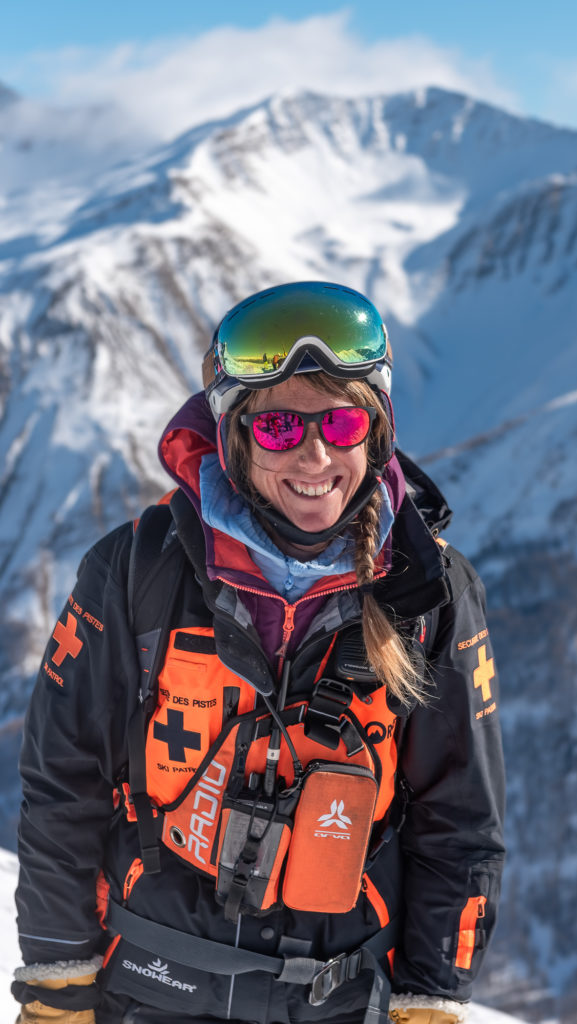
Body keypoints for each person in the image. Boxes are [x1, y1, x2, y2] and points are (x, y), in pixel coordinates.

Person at [13, 282, 505, 1024]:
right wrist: (57, 981)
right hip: (147, 988)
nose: (315, 454)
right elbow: (63, 784)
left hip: (336, 1000)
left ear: (376, 432)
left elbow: (460, 819)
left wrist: (430, 1000)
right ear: (236, 437)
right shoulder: (138, 571)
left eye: (341, 423)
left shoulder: (428, 595)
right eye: (279, 426)